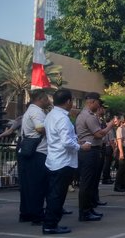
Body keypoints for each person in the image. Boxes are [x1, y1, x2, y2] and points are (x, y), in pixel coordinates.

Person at [43, 89, 91, 234]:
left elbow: (61, 138)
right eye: (72, 101)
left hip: (54, 160)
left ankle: (51, 223)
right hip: (63, 161)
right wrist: (80, 146)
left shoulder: (51, 115)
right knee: (57, 195)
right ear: (68, 101)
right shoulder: (62, 118)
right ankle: (50, 225)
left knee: (54, 194)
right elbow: (65, 142)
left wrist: (76, 140)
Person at [75, 92, 113, 221]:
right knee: (87, 183)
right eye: (98, 102)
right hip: (89, 151)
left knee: (90, 183)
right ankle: (85, 212)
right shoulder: (88, 116)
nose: (99, 104)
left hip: (91, 151)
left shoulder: (87, 115)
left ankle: (89, 209)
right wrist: (110, 126)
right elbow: (98, 134)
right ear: (92, 102)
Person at [18, 90, 51, 225]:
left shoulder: (31, 110)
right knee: (37, 186)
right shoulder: (36, 111)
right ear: (41, 98)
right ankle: (37, 215)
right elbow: (39, 128)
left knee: (27, 185)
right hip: (37, 153)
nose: (49, 101)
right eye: (47, 98)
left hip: (29, 152)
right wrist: (53, 129)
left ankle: (26, 213)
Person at [101, 116, 119, 185]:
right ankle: (106, 178)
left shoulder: (105, 127)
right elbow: (111, 141)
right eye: (114, 121)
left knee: (107, 164)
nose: (114, 123)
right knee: (107, 164)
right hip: (108, 147)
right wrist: (114, 149)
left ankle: (107, 177)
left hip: (105, 147)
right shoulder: (110, 129)